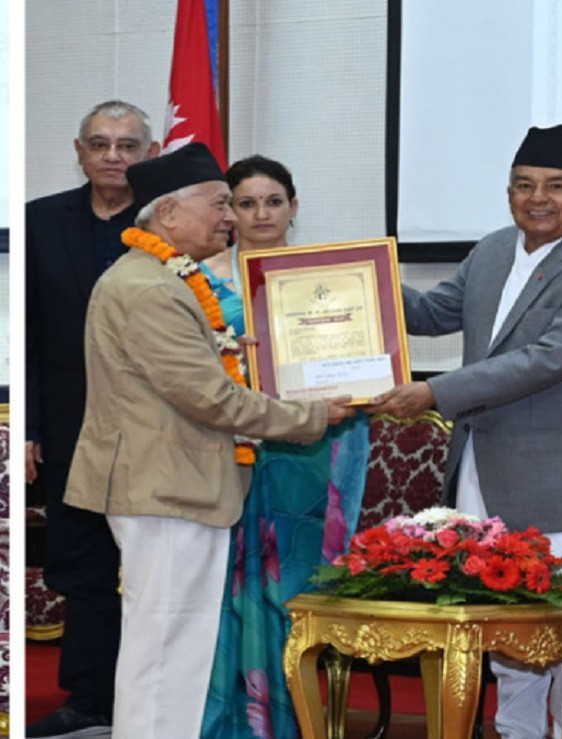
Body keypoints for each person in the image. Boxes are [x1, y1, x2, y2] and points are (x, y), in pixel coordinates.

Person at [63, 141, 354, 738]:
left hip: (176, 485)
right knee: (165, 653)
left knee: (177, 651)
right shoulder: (149, 289)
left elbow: (196, 380)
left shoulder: (163, 279)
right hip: (167, 488)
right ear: (169, 213)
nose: (230, 217)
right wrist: (311, 416)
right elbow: (209, 399)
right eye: (220, 204)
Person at [367, 123, 562, 739]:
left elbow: (547, 359)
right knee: (504, 630)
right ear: (509, 192)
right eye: (523, 185)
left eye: (556, 186)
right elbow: (433, 311)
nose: (538, 198)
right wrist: (361, 279)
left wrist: (434, 392)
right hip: (486, 475)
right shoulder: (493, 250)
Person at [199, 155, 369, 738]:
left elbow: (358, 356)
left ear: (293, 207)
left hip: (315, 447)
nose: (261, 214)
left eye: (273, 201)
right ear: (229, 212)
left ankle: (298, 720)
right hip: (230, 448)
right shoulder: (198, 282)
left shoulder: (329, 278)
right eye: (245, 203)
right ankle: (234, 721)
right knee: (228, 584)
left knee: (295, 585)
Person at [24, 99, 159, 738]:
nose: (113, 156)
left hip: (159, 427)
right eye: (100, 144)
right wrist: (29, 428)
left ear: (150, 154)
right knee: (84, 567)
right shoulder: (39, 221)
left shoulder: (171, 220)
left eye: (127, 145)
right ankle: (88, 702)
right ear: (78, 152)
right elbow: (27, 336)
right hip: (71, 427)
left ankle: (154, 701)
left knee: (158, 568)